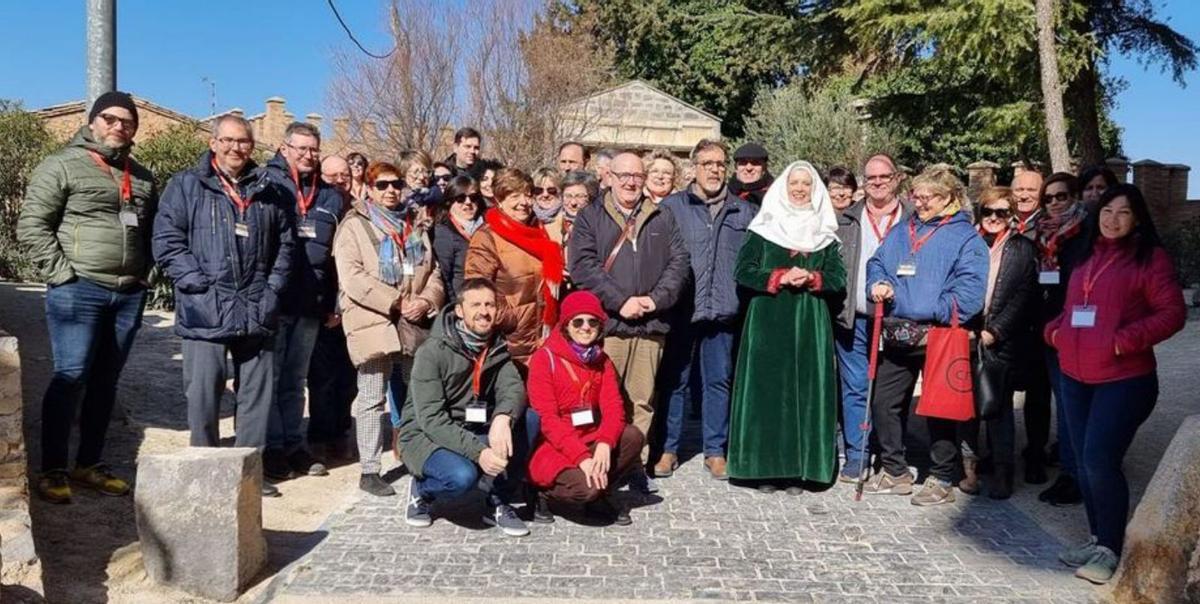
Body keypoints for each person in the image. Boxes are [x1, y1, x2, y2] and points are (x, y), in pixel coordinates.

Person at [18, 91, 156, 503]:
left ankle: (89, 463)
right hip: (80, 289)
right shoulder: (61, 164)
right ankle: (53, 469)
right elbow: (32, 225)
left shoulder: (143, 176)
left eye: (128, 121)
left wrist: (143, 275)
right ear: (92, 121)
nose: (119, 126)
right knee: (70, 376)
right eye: (111, 119)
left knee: (105, 382)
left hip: (128, 293)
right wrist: (63, 275)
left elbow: (148, 232)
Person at [1047, 184, 1185, 584]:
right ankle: (1097, 537)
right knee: (1083, 465)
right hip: (1075, 377)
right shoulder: (1087, 256)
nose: (1113, 220)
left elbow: (1172, 313)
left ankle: (1110, 548)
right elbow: (1073, 307)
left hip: (1123, 381)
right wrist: (1056, 332)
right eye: (1107, 211)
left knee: (1099, 461)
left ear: (1137, 218)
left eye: (1123, 213)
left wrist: (1123, 340)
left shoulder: (1150, 259)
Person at [153, 115, 294, 498]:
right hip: (205, 309)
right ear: (213, 142)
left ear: (252, 145)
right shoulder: (185, 186)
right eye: (228, 140)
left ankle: (249, 474)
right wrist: (197, 284)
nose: (236, 148)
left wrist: (272, 289)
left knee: (256, 398)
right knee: (202, 394)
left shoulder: (271, 189)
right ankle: (204, 471)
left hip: (256, 306)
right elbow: (167, 241)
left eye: (244, 141)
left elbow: (285, 246)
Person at [864, 167, 988, 505]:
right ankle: (895, 470)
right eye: (915, 196)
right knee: (883, 403)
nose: (919, 203)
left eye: (927, 197)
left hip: (941, 333)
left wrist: (929, 307)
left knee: (940, 409)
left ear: (948, 197)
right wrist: (876, 283)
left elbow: (971, 292)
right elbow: (877, 263)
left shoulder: (966, 237)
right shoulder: (903, 230)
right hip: (899, 333)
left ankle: (941, 476)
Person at [568, 151, 690, 493]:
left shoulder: (661, 216)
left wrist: (655, 299)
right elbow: (582, 266)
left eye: (637, 175)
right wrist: (621, 302)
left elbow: (679, 263)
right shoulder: (590, 216)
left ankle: (634, 463)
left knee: (641, 399)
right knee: (600, 400)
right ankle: (596, 462)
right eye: (623, 175)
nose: (631, 182)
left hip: (650, 326)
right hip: (607, 325)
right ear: (609, 177)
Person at [726, 161, 845, 493]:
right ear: (783, 185)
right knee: (768, 393)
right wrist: (778, 276)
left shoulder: (824, 234)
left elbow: (838, 278)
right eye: (794, 182)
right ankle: (764, 468)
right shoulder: (764, 230)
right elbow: (744, 271)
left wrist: (812, 277)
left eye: (806, 184)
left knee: (804, 394)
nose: (800, 189)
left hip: (810, 324)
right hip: (768, 321)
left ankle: (798, 470)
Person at [334, 161, 445, 496]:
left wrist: (425, 301)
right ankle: (369, 469)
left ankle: (415, 455)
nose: (391, 190)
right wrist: (395, 301)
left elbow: (434, 270)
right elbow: (352, 277)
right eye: (382, 185)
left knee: (416, 391)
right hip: (375, 320)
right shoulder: (354, 227)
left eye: (396, 183)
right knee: (371, 396)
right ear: (368, 188)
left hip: (413, 320)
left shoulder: (413, 225)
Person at [397, 278, 533, 537]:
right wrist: (479, 452)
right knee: (461, 477)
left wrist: (503, 417)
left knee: (531, 420)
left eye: (490, 305)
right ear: (459, 311)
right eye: (476, 305)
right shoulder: (432, 351)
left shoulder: (496, 346)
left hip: (472, 425)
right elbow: (431, 419)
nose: (484, 311)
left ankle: (496, 501)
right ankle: (422, 490)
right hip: (425, 435)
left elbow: (513, 388)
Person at [655, 140, 756, 481]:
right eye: (707, 163)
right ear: (693, 168)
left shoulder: (743, 212)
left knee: (718, 382)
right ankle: (668, 448)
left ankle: (715, 450)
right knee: (675, 382)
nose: (714, 169)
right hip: (683, 310)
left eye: (719, 163)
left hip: (723, 310)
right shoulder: (672, 207)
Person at [261, 122, 344, 481]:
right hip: (275, 301)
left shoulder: (329, 197)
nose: (309, 155)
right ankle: (272, 447)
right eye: (302, 148)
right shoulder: (267, 185)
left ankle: (295, 445)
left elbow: (336, 256)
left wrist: (335, 301)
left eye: (314, 149)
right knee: (271, 376)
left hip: (312, 303)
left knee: (296, 380)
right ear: (285, 149)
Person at [525, 290, 645, 525]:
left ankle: (600, 491)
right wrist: (582, 458)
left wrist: (604, 443)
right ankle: (542, 494)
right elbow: (548, 420)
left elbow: (614, 409)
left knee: (633, 436)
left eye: (592, 322)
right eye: (577, 321)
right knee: (585, 490)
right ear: (566, 325)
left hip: (589, 437)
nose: (585, 327)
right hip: (554, 446)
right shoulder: (544, 359)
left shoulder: (602, 361)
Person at [830, 154, 909, 483]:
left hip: (899, 319)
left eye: (883, 177)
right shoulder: (846, 218)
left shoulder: (914, 218)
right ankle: (858, 454)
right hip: (855, 316)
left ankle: (892, 453)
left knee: (892, 392)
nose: (877, 183)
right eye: (871, 178)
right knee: (856, 386)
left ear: (896, 178)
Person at [957, 186, 1039, 499]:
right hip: (966, 335)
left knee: (998, 408)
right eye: (988, 211)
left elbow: (1024, 296)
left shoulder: (1022, 248)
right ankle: (968, 470)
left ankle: (1004, 471)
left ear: (1011, 216)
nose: (993, 218)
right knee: (965, 408)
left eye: (1001, 212)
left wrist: (996, 331)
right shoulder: (969, 242)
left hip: (1000, 341)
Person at [465, 168, 565, 369]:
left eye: (528, 195)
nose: (524, 202)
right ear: (499, 200)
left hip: (544, 340)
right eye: (514, 196)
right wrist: (515, 319)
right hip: (508, 344)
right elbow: (477, 292)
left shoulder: (539, 232)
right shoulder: (487, 237)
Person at [1032, 172, 1092, 503]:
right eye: (1049, 198)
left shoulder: (1086, 233)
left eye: (1061, 196)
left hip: (1073, 332)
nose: (1054, 203)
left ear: (1075, 197)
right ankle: (1070, 470)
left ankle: (1074, 475)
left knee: (1072, 407)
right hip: (1046, 329)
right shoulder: (1042, 233)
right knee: (1060, 404)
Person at [310, 156, 358, 460]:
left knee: (348, 378)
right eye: (332, 176)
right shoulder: (316, 208)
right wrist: (329, 305)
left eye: (345, 175)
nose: (340, 181)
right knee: (323, 379)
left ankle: (340, 431)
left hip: (354, 307)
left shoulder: (357, 210)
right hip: (326, 306)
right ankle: (320, 437)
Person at [433, 175, 484, 304]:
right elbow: (444, 277)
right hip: (463, 303)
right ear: (450, 201)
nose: (468, 202)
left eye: (473, 198)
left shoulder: (488, 225)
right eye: (460, 198)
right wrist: (455, 306)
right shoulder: (444, 233)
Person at [531, 167, 564, 234]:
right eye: (538, 190)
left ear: (559, 191)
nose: (545, 195)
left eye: (551, 190)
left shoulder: (567, 219)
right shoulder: (527, 218)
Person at [1011, 169, 1044, 235]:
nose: (1024, 196)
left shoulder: (1051, 226)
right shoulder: (1001, 223)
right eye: (1019, 190)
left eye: (1031, 190)